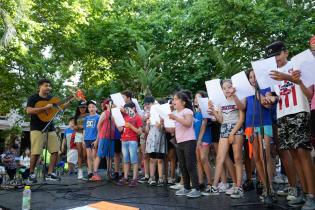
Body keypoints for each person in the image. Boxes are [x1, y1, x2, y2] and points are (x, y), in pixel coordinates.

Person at [268, 41, 315, 209]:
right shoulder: (271, 74)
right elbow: (275, 96)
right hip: (283, 115)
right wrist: (270, 99)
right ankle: (303, 192)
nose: (275, 59)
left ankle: (312, 195)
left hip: (300, 112)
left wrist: (288, 77)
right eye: (271, 56)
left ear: (286, 52)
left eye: (277, 54)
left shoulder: (297, 64)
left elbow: (309, 92)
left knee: (303, 152)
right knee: (293, 154)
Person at [233, 69, 276, 199]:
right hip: (250, 127)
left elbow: (267, 104)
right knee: (256, 157)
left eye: (254, 76)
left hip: (265, 124)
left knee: (265, 156)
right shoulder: (246, 92)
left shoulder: (266, 88)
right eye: (250, 77)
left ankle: (270, 187)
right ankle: (264, 185)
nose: (252, 79)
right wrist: (235, 96)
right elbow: (241, 107)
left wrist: (256, 91)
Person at [208, 79, 245, 199]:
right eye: (224, 88)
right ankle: (214, 187)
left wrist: (232, 133)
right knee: (220, 157)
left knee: (237, 158)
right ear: (222, 90)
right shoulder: (220, 102)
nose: (227, 89)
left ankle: (239, 187)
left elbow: (241, 119)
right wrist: (213, 111)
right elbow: (221, 120)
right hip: (224, 128)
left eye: (229, 87)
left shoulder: (239, 98)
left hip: (236, 128)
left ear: (233, 87)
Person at [26, 79, 64, 183]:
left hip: (50, 127)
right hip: (36, 128)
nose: (49, 88)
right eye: (46, 85)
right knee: (36, 152)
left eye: (49, 86)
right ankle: (32, 174)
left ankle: (50, 173)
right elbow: (29, 111)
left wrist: (68, 102)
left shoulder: (52, 98)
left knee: (55, 151)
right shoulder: (33, 98)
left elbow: (60, 107)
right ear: (40, 87)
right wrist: (44, 108)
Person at [168, 91, 201, 198]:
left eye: (176, 99)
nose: (174, 101)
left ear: (183, 102)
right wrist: (164, 124)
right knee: (182, 165)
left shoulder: (187, 111)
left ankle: (196, 188)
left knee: (190, 165)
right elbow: (173, 129)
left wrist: (175, 118)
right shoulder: (176, 113)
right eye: (173, 99)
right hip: (180, 142)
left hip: (189, 141)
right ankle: (186, 187)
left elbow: (188, 123)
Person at [116, 102, 143, 187]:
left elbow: (140, 131)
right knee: (126, 160)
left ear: (133, 108)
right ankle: (125, 177)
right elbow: (121, 129)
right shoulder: (125, 117)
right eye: (125, 109)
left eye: (127, 109)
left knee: (134, 160)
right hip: (124, 140)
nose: (126, 111)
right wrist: (116, 121)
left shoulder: (137, 117)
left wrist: (131, 126)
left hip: (132, 140)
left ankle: (135, 178)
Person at [193, 91, 213, 195]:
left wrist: (199, 140)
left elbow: (204, 126)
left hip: (204, 139)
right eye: (195, 98)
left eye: (199, 97)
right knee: (198, 161)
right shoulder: (195, 112)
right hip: (196, 140)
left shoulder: (205, 112)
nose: (196, 99)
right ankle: (201, 182)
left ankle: (210, 183)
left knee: (203, 159)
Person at [144, 96, 166, 186]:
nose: (147, 106)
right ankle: (152, 177)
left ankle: (161, 178)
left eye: (148, 104)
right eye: (146, 105)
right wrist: (147, 123)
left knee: (160, 159)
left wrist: (160, 124)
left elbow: (163, 129)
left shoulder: (160, 112)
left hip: (160, 137)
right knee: (152, 158)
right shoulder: (149, 115)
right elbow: (146, 131)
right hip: (151, 138)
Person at [92, 99, 115, 181]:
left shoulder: (114, 114)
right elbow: (98, 126)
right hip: (104, 137)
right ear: (107, 105)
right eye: (111, 103)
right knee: (100, 155)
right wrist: (99, 137)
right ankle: (95, 173)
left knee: (109, 156)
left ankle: (109, 172)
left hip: (111, 137)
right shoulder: (104, 113)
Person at [83, 100, 100, 180]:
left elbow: (99, 130)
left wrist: (97, 139)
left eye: (93, 107)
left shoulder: (98, 117)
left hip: (94, 139)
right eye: (89, 107)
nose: (91, 108)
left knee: (94, 156)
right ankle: (90, 172)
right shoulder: (86, 118)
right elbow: (85, 129)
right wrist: (83, 139)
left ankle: (95, 172)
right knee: (88, 156)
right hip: (87, 139)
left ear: (96, 108)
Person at [74, 100, 89, 180]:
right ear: (78, 108)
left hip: (86, 135)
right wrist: (77, 127)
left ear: (86, 107)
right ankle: (80, 174)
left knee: (85, 155)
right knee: (79, 154)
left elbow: (87, 126)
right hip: (78, 135)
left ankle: (89, 172)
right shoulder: (76, 115)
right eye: (81, 107)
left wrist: (80, 126)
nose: (82, 109)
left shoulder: (89, 114)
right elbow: (74, 126)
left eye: (84, 107)